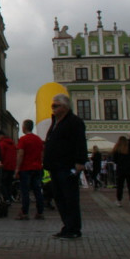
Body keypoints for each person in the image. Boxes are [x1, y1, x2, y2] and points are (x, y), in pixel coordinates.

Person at [43, 94, 87, 239]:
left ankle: (74, 228)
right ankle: (67, 226)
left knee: (70, 198)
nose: (53, 108)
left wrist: (80, 162)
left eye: (56, 105)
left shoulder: (74, 122)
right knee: (60, 198)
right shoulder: (55, 122)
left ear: (65, 107)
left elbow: (80, 143)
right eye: (52, 105)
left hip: (67, 166)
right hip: (55, 166)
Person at [14, 119, 45, 220]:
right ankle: (40, 212)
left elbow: (20, 154)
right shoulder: (38, 139)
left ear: (24, 127)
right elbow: (42, 154)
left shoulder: (23, 139)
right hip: (37, 167)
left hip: (26, 168)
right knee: (37, 190)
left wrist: (17, 168)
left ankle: (24, 212)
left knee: (25, 191)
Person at [111, 136, 130, 207]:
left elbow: (115, 160)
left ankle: (119, 201)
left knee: (120, 186)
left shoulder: (117, 149)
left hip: (120, 169)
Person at [0, 130, 17, 203]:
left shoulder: (2, 144)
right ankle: (9, 197)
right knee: (9, 183)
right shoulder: (12, 143)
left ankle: (6, 198)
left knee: (2, 183)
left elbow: (1, 154)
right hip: (12, 166)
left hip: (4, 166)